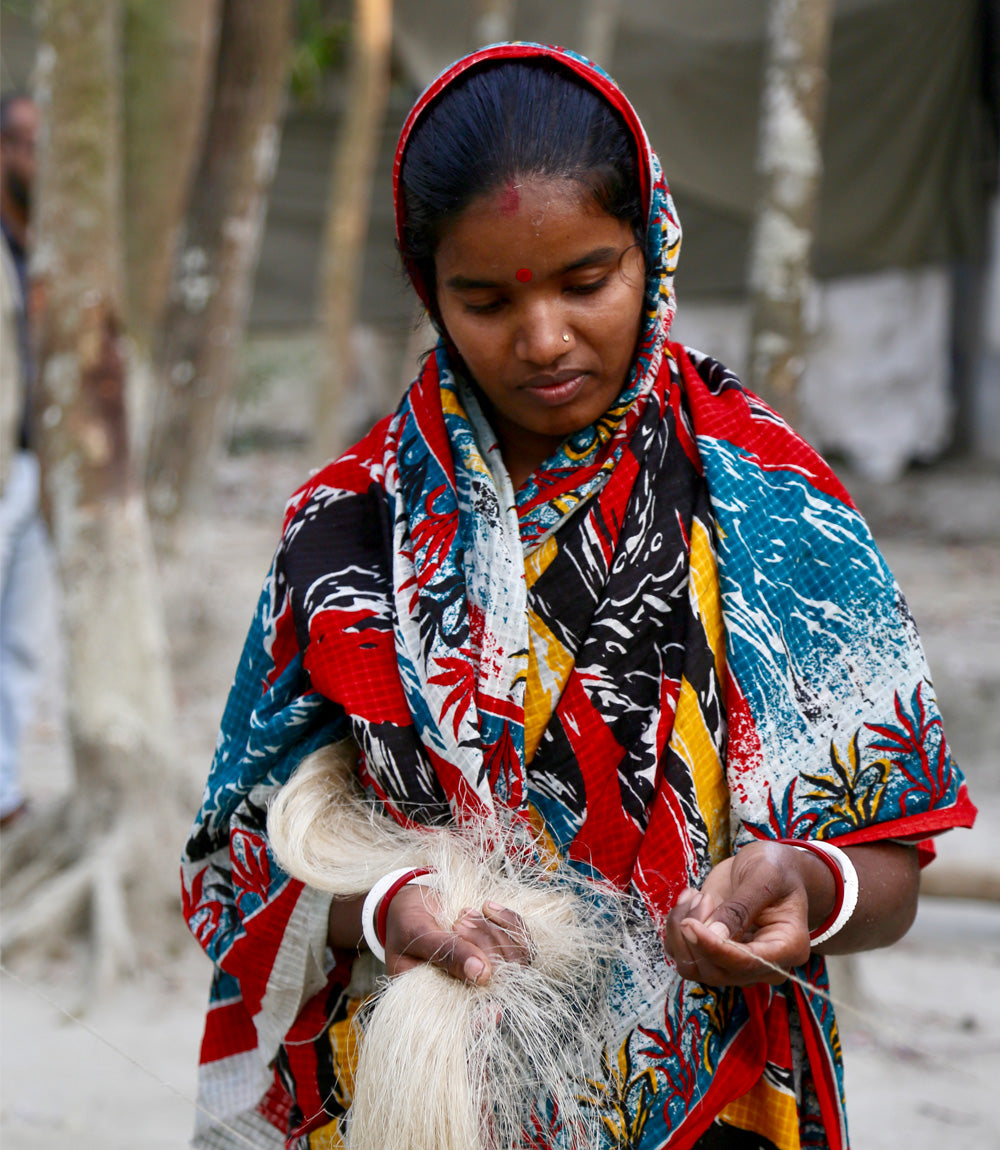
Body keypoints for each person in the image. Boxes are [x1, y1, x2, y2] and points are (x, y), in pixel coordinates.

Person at [181, 44, 977, 1150]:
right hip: (419, 1104)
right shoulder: (349, 531)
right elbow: (232, 858)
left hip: (716, 1103)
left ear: (651, 248)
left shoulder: (769, 507)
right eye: (486, 298)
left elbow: (889, 859)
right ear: (428, 289)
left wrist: (807, 881)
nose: (544, 338)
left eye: (585, 281)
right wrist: (377, 909)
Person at [0, 91, 50, 830]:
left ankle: (4, 794)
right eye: (20, 142)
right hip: (4, 462)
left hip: (46, 468)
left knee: (25, 637)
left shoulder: (54, 246)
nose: (34, 159)